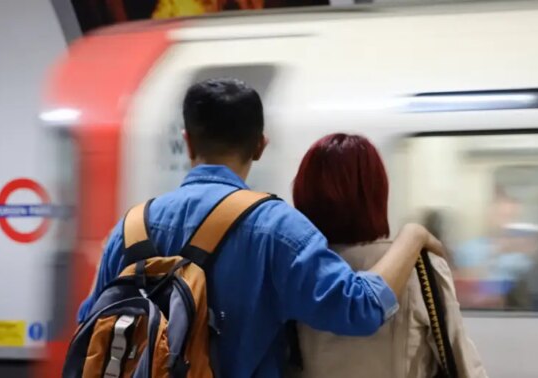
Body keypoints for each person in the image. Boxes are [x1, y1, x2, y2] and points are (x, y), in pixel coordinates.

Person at [78, 79, 444, 377]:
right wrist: (413, 235)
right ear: (260, 145)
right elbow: (360, 308)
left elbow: (92, 323)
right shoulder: (276, 229)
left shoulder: (129, 229)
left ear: (188, 141)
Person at [291, 133, 487, 378]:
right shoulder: (419, 268)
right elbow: (463, 365)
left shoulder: (290, 271)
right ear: (377, 193)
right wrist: (415, 234)